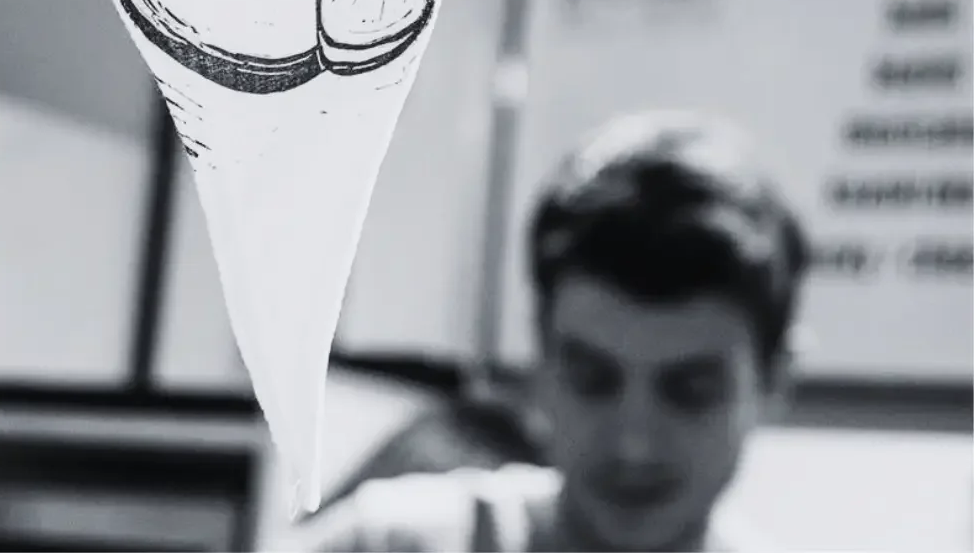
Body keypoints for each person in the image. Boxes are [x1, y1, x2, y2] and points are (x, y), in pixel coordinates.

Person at [286, 111, 810, 552]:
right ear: (541, 358)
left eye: (690, 393)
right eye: (592, 380)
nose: (633, 443)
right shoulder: (387, 546)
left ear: (773, 383)